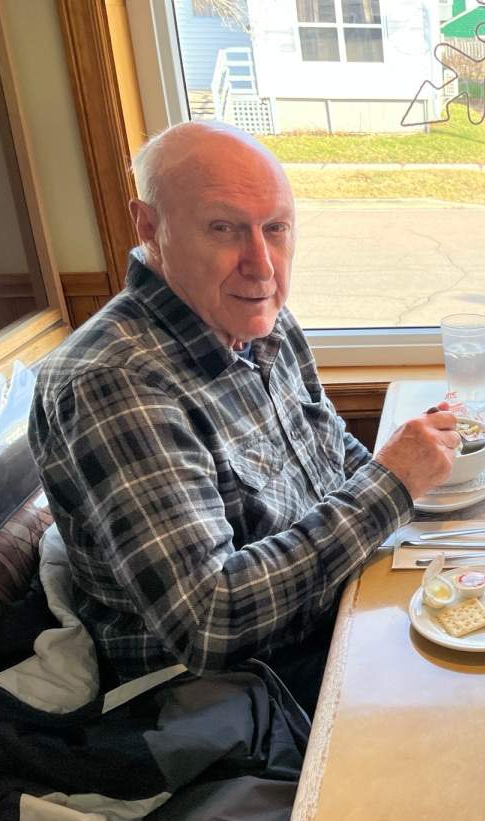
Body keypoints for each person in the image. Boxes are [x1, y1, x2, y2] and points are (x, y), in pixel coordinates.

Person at [29, 121, 459, 713]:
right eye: (223, 228)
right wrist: (393, 485)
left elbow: (333, 452)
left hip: (329, 614)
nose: (262, 265)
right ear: (149, 228)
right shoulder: (115, 381)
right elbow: (209, 621)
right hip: (228, 690)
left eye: (276, 229)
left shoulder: (264, 322)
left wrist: (435, 507)